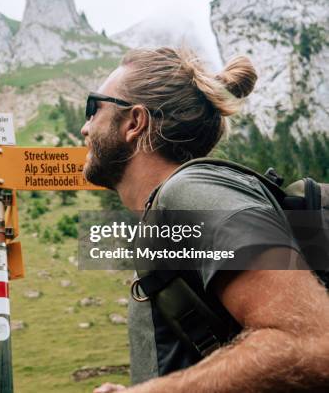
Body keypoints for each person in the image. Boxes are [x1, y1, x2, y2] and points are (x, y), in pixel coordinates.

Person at [80, 47, 329, 392]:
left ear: (134, 122)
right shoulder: (169, 214)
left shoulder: (191, 190)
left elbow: (310, 342)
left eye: (94, 108)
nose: (84, 126)